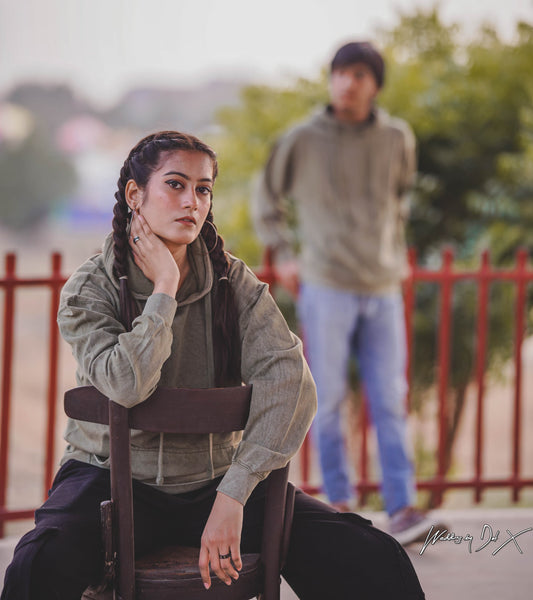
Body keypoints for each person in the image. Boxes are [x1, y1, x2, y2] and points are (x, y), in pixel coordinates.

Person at [1, 130, 425, 600]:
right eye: (176, 184)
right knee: (35, 567)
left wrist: (234, 494)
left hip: (218, 484)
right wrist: (164, 286)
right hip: (111, 480)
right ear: (135, 194)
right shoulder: (90, 289)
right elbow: (125, 384)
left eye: (203, 189)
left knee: (373, 558)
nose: (192, 201)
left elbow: (291, 380)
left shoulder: (232, 282)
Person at [253, 41, 431, 545]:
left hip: (383, 288)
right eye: (340, 73)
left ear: (375, 85)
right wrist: (284, 252)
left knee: (391, 401)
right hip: (327, 286)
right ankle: (341, 506)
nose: (348, 83)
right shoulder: (303, 139)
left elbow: (399, 200)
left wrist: (395, 253)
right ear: (330, 80)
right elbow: (267, 196)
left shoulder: (397, 138)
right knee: (326, 400)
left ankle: (403, 510)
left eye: (359, 75)